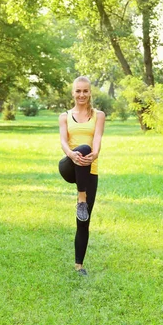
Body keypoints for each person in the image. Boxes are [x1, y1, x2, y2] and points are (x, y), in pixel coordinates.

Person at [58, 76, 105, 276]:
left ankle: (79, 265)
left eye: (85, 91)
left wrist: (95, 154)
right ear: (73, 93)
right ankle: (81, 197)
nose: (82, 95)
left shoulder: (99, 115)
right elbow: (63, 141)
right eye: (78, 91)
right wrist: (72, 154)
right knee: (82, 147)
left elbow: (97, 138)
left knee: (84, 221)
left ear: (90, 93)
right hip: (69, 166)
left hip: (89, 170)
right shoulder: (64, 116)